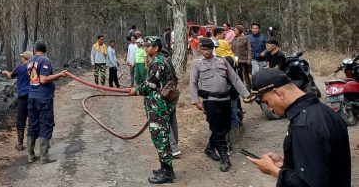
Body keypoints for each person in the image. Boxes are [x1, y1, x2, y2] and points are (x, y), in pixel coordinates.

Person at [246, 68, 351, 186]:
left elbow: (308, 184)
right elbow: (322, 162)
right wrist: (287, 163)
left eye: (266, 102)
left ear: (278, 93)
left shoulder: (304, 125)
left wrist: (274, 171)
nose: (269, 108)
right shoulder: (324, 111)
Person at [190, 38, 250, 172]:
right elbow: (193, 83)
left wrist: (246, 94)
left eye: (208, 49)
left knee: (225, 127)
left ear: (213, 49)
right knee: (217, 130)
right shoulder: (196, 64)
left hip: (225, 100)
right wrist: (196, 101)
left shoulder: (222, 61)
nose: (205, 52)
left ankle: (210, 148)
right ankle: (225, 158)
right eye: (203, 49)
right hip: (210, 101)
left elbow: (234, 78)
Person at [126, 36, 177, 183]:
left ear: (155, 48)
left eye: (148, 45)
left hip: (158, 106)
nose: (145, 47)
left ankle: (167, 173)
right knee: (160, 137)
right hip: (156, 104)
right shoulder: (158, 60)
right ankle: (165, 168)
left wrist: (136, 90)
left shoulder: (157, 63)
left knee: (160, 137)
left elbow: (151, 85)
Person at [26, 41, 68, 164]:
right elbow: (43, 80)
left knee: (33, 125)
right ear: (45, 50)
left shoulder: (29, 62)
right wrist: (59, 75)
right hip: (43, 98)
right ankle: (44, 157)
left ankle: (31, 155)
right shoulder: (45, 61)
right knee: (46, 124)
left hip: (32, 97)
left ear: (35, 50)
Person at [1, 51, 33, 150]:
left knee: (21, 119)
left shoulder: (20, 68)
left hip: (23, 96)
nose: (21, 58)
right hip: (33, 95)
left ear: (25, 58)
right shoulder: (35, 68)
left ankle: (20, 143)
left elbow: (10, 76)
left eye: (22, 57)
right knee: (33, 118)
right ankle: (32, 143)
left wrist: (5, 72)